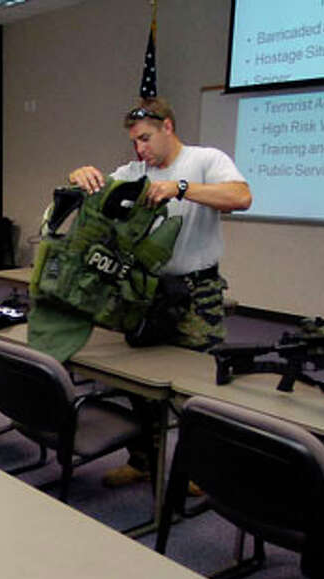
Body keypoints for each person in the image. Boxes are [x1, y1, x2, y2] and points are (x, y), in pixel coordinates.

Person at [69, 97, 251, 487]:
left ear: (168, 127)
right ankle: (144, 461)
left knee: (197, 389)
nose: (141, 149)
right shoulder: (135, 170)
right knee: (137, 381)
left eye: (146, 139)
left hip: (195, 292)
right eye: (135, 141)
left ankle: (201, 472)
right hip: (145, 291)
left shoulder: (206, 160)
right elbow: (98, 191)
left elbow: (240, 197)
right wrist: (81, 175)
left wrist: (181, 189)